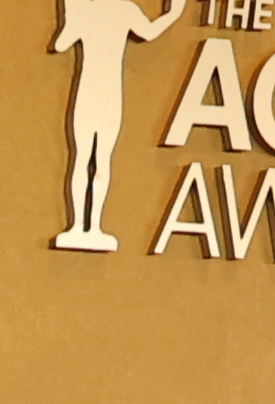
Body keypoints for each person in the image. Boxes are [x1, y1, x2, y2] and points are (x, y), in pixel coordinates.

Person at [52, 0, 184, 253]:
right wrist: (172, 15)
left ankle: (90, 226)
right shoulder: (107, 9)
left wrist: (173, 15)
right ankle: (80, 225)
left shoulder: (117, 9)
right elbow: (61, 43)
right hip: (96, 93)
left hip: (105, 94)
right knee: (90, 159)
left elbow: (147, 32)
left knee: (95, 159)